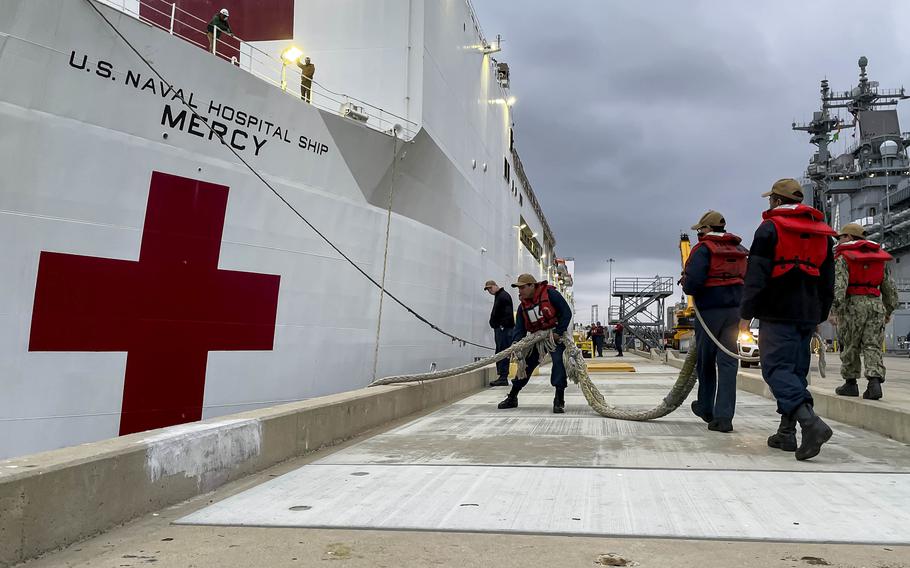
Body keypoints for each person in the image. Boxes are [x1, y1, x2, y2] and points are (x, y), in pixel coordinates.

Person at [741, 178, 836, 461]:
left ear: (777, 201)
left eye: (771, 199)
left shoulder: (769, 229)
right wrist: (819, 316)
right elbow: (827, 282)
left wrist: (745, 315)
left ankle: (810, 423)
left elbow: (756, 276)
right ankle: (786, 433)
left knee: (776, 370)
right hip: (807, 314)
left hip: (777, 312)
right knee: (796, 372)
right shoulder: (823, 235)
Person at [682, 210, 748, 433]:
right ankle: (724, 417)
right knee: (729, 363)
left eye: (700, 230)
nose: (699, 234)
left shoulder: (703, 249)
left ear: (707, 229)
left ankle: (706, 406)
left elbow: (693, 282)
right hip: (734, 312)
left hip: (709, 312)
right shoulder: (739, 249)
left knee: (706, 360)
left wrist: (687, 284)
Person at [830, 223, 898, 400]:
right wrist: (888, 310)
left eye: (841, 237)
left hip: (852, 304)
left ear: (850, 237)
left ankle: (850, 384)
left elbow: (839, 286)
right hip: (876, 305)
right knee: (872, 344)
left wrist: (834, 309)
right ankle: (874, 384)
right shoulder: (879, 258)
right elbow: (890, 289)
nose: (838, 241)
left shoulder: (843, 257)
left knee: (850, 343)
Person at [497, 274, 572, 414]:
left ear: (532, 285)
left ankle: (559, 398)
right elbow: (519, 328)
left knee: (559, 362)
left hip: (554, 337)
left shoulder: (551, 294)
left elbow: (566, 313)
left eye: (523, 287)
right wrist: (517, 344)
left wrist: (558, 331)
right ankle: (513, 396)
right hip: (536, 340)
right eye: (518, 288)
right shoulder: (522, 308)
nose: (520, 291)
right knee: (525, 365)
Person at [484, 279, 515, 387]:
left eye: (490, 289)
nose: (489, 291)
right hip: (502, 329)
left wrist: (502, 325)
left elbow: (507, 313)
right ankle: (502, 376)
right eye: (488, 290)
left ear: (494, 286)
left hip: (504, 330)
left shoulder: (503, 296)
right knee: (501, 351)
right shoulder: (501, 296)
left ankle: (503, 377)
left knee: (502, 352)